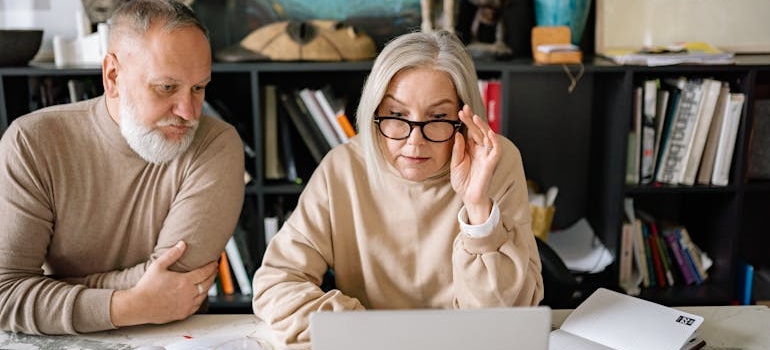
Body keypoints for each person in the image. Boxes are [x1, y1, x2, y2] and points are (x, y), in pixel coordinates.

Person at [252, 29, 543, 348]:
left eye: (438, 117)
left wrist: (478, 209)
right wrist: (366, 332)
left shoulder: (495, 162)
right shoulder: (345, 166)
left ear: (464, 117)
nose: (414, 141)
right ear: (374, 111)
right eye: (396, 115)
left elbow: (505, 319)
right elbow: (276, 284)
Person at [0, 0, 245, 335]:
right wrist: (127, 305)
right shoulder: (31, 143)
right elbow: (5, 295)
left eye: (198, 88)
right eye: (167, 87)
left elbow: (177, 283)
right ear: (113, 76)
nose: (189, 112)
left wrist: (50, 286)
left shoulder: (215, 144)